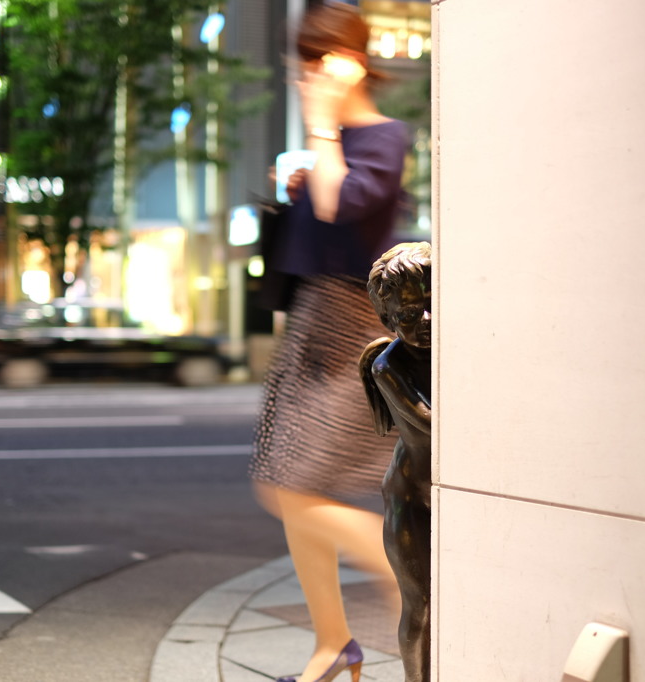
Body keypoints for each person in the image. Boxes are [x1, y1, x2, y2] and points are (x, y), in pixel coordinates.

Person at [248, 4, 411, 682]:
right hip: (310, 326)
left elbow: (338, 206)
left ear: (352, 61)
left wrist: (321, 123)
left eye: (318, 59)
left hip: (350, 332)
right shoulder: (337, 141)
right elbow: (313, 211)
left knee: (294, 491)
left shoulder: (384, 137)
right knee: (284, 484)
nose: (306, 73)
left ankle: (408, 572)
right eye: (303, 60)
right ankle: (332, 644)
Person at [360, 242, 433, 682]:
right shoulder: (389, 367)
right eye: (407, 316)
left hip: (444, 493)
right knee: (420, 603)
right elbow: (435, 426)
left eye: (430, 307)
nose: (424, 322)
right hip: (412, 499)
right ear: (388, 320)